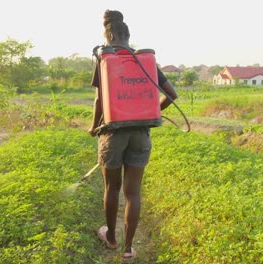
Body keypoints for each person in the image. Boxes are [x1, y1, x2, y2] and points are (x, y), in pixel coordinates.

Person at [87, 9, 178, 262]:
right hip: (140, 133)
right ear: (127, 35)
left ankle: (111, 238)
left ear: (110, 35)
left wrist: (94, 126)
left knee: (111, 188)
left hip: (113, 135)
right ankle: (128, 249)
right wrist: (150, 111)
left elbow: (99, 101)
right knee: (133, 193)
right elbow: (172, 94)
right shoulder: (145, 62)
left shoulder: (106, 60)